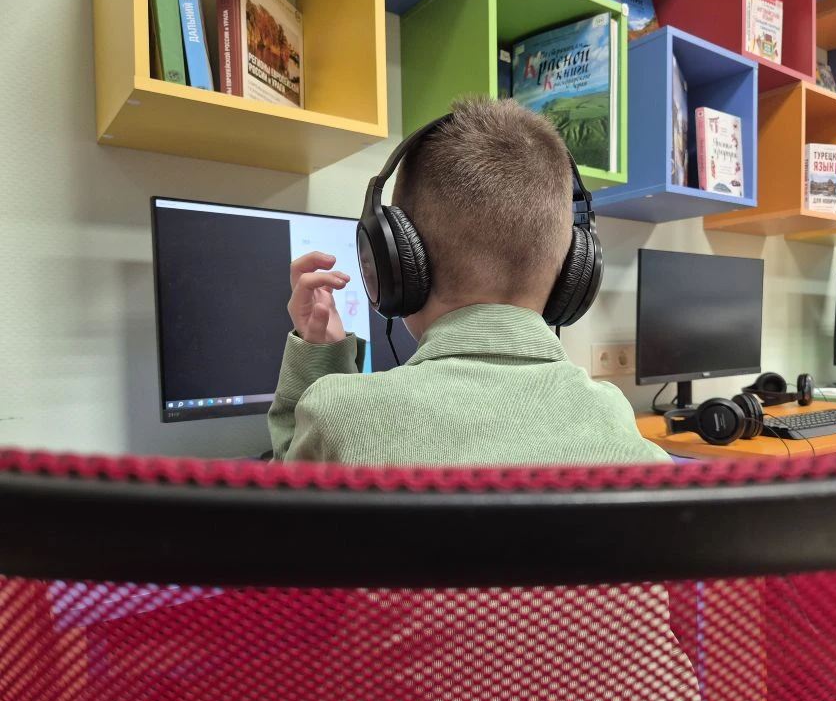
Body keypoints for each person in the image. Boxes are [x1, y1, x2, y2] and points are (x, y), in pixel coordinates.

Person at [268, 97, 670, 466]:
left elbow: (283, 504)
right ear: (573, 272)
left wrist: (319, 363)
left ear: (395, 265)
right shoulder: (621, 429)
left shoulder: (337, 417)